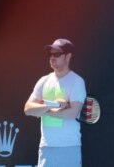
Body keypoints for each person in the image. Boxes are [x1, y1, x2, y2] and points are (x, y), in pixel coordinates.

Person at [24, 38, 86, 167]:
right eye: (50, 54)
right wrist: (54, 106)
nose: (52, 57)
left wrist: (44, 111)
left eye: (57, 54)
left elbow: (73, 113)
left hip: (69, 147)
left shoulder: (77, 81)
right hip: (46, 147)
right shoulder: (43, 81)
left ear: (68, 56)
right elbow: (28, 109)